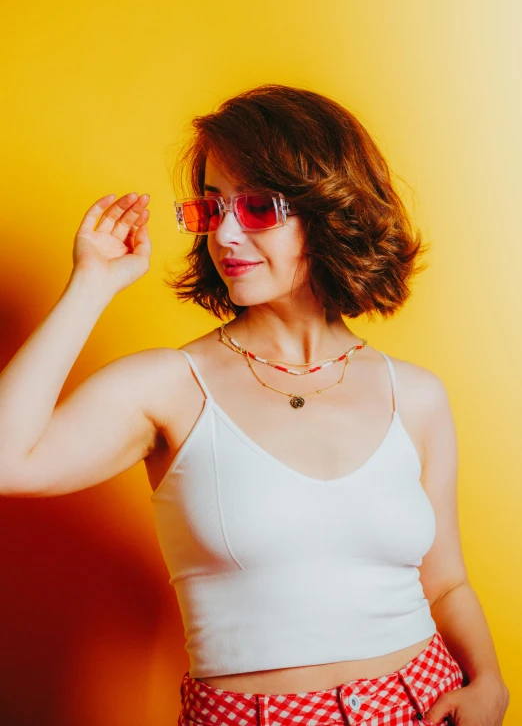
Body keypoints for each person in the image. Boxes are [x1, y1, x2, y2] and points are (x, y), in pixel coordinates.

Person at [0, 84, 509, 726]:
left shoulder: (416, 395)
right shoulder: (171, 387)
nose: (228, 234)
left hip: (423, 701)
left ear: (329, 210)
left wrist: (489, 681)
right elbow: (6, 460)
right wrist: (91, 284)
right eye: (213, 208)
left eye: (259, 207)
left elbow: (445, 582)